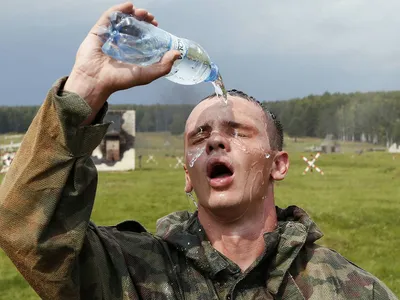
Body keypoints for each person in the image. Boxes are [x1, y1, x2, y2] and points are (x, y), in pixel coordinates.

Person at [0, 3, 397, 300]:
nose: (214, 141)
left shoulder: (348, 287)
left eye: (238, 131)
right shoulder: (133, 273)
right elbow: (26, 231)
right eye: (198, 136)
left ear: (278, 164)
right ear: (188, 176)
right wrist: (85, 89)